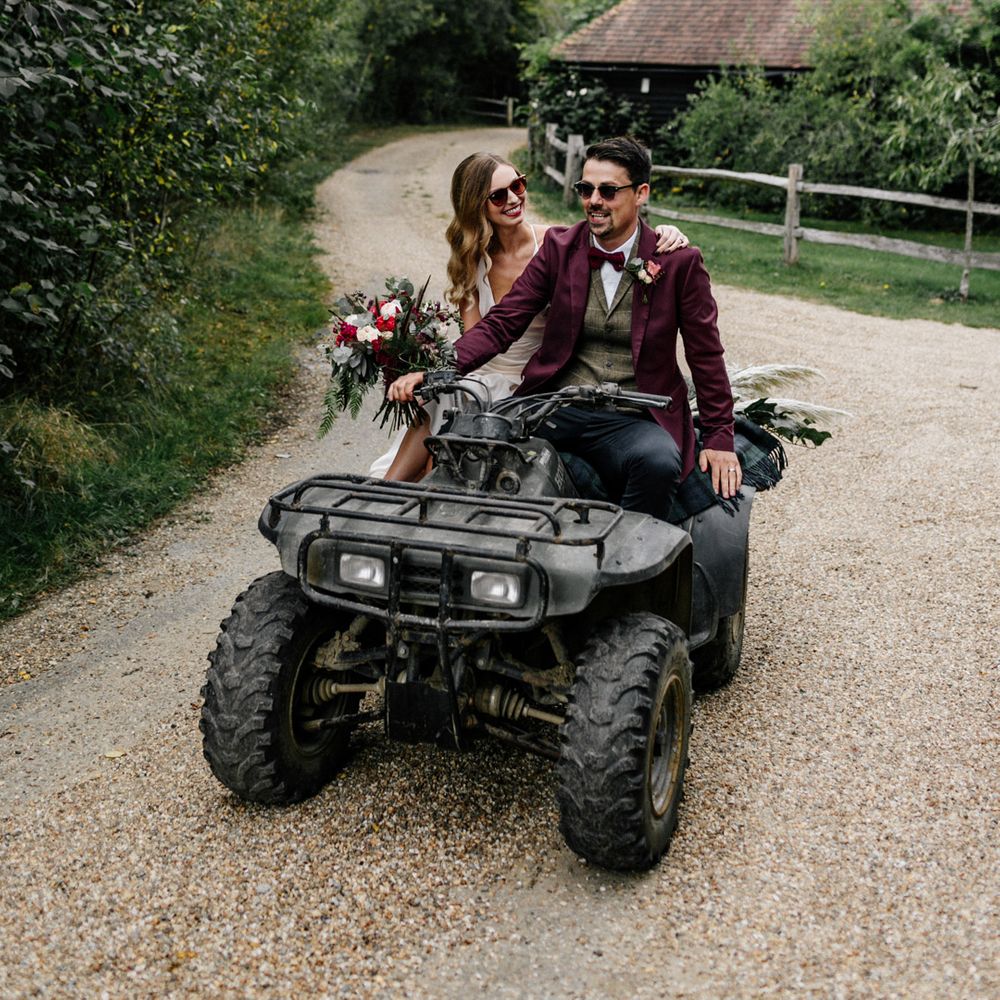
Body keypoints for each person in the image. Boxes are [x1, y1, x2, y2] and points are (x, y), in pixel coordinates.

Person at [389, 135, 741, 520]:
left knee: (658, 462)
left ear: (640, 193)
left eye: (608, 191)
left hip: (636, 415)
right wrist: (442, 369)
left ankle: (627, 568)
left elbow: (705, 354)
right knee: (476, 438)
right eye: (586, 189)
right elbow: (503, 323)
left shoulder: (678, 262)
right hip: (558, 407)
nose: (594, 201)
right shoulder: (559, 248)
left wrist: (721, 437)